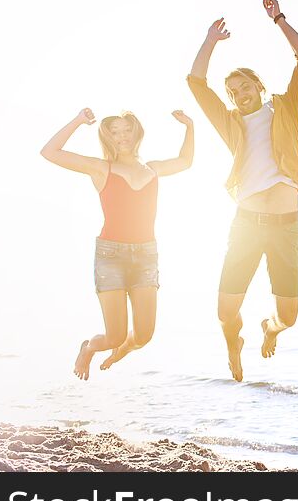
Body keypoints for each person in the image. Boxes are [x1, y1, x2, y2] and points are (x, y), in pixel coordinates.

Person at [187, 0, 298, 382]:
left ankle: (269, 328)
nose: (240, 95)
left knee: (288, 317)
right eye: (234, 92)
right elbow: (195, 83)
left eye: (245, 87)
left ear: (258, 85)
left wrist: (278, 19)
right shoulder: (231, 125)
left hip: (285, 225)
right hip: (245, 223)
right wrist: (210, 41)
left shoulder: (287, 109)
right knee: (225, 312)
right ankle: (233, 341)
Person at [41, 107, 194, 380]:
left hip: (146, 255)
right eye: (115, 132)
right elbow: (50, 152)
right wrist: (77, 121)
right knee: (114, 336)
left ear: (137, 132)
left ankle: (121, 351)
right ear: (108, 138)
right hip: (111, 256)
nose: (122, 136)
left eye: (126, 129)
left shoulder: (154, 169)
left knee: (144, 335)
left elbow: (185, 161)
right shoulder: (101, 168)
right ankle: (89, 348)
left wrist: (189, 126)